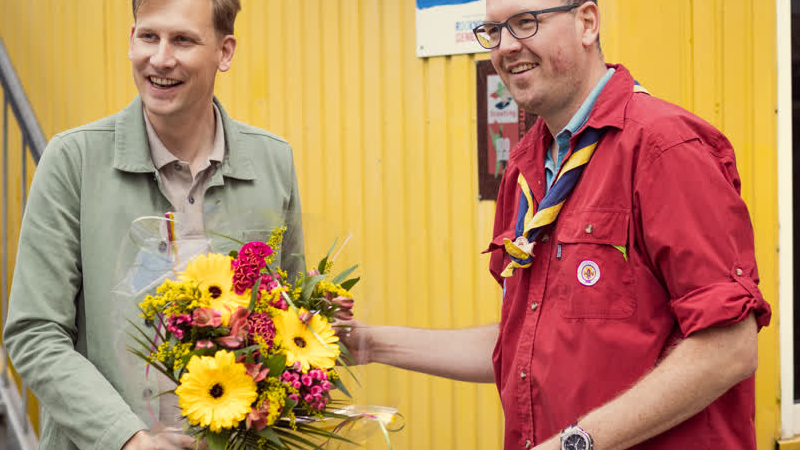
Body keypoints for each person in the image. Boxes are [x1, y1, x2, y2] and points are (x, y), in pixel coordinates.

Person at [339, 0, 772, 449]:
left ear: (587, 23)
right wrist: (366, 342)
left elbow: (728, 348)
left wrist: (576, 443)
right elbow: (525, 343)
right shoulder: (525, 167)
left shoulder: (664, 147)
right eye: (493, 31)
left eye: (525, 23)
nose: (506, 46)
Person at [3, 0, 305, 449]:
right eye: (149, 36)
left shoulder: (272, 162)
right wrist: (127, 439)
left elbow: (292, 321)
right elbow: (35, 332)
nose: (160, 59)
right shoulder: (73, 160)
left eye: (183, 40)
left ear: (224, 52)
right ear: (131, 39)